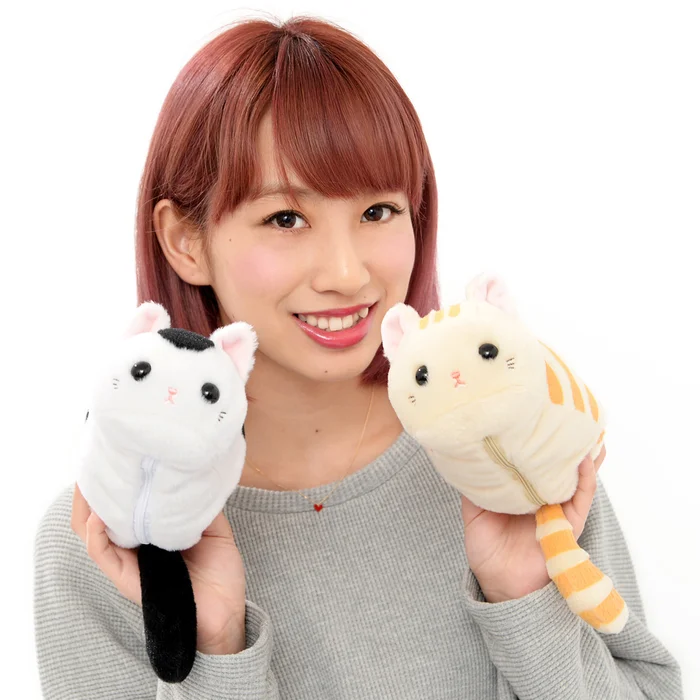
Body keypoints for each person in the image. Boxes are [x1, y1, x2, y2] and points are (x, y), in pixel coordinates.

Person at [33, 15, 683, 699]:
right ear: (184, 241)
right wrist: (215, 647)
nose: (347, 273)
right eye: (286, 218)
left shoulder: (508, 447)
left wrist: (528, 604)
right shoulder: (108, 540)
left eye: (378, 211)